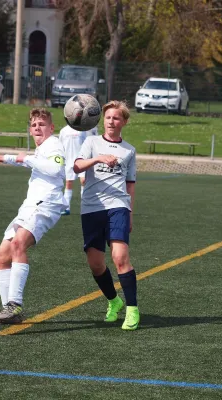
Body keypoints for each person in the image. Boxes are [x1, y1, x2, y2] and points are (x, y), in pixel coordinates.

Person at [0, 108, 67, 324]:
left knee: (18, 244)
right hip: (29, 207)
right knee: (1, 256)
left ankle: (15, 304)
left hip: (46, 205)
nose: (37, 127)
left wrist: (21, 158)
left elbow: (55, 169)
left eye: (42, 124)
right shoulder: (40, 149)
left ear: (51, 127)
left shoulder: (54, 145)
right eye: (33, 125)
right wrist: (6, 158)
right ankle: (8, 312)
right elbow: (29, 161)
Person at [73, 100, 139, 331]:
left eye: (117, 118)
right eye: (109, 117)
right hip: (91, 207)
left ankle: (132, 309)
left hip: (118, 206)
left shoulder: (129, 150)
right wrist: (99, 158)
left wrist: (129, 213)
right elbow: (77, 167)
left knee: (120, 258)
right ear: (104, 120)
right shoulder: (91, 142)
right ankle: (114, 301)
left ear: (124, 122)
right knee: (96, 264)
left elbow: (130, 184)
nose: (112, 122)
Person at [58, 124, 98, 215]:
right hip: (68, 161)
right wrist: (61, 161)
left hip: (81, 160)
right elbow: (60, 146)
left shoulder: (82, 130)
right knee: (68, 183)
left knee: (83, 181)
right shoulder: (64, 130)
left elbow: (87, 144)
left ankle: (85, 206)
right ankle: (66, 207)